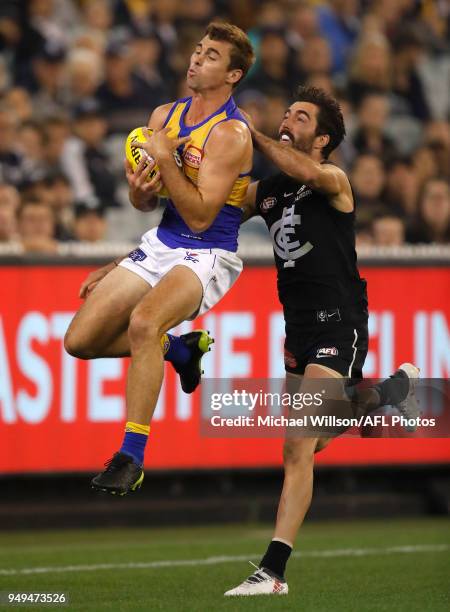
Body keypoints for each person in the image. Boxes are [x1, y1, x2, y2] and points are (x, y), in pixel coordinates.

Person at [224, 86, 420, 597]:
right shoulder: (267, 190)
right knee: (304, 446)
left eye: (301, 116)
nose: (290, 118)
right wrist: (167, 168)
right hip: (299, 330)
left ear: (323, 137)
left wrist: (253, 133)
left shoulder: (333, 179)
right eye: (288, 112)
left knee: (296, 445)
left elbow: (308, 171)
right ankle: (379, 398)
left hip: (340, 323)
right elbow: (209, 210)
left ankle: (272, 572)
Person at [64, 22, 254, 495]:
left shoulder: (232, 133)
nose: (196, 59)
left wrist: (166, 159)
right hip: (163, 242)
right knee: (79, 341)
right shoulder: (163, 114)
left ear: (233, 75)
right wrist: (139, 190)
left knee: (146, 323)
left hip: (208, 251)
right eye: (197, 50)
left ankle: (131, 456)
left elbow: (203, 217)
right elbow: (149, 204)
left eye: (211, 56)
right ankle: (182, 350)